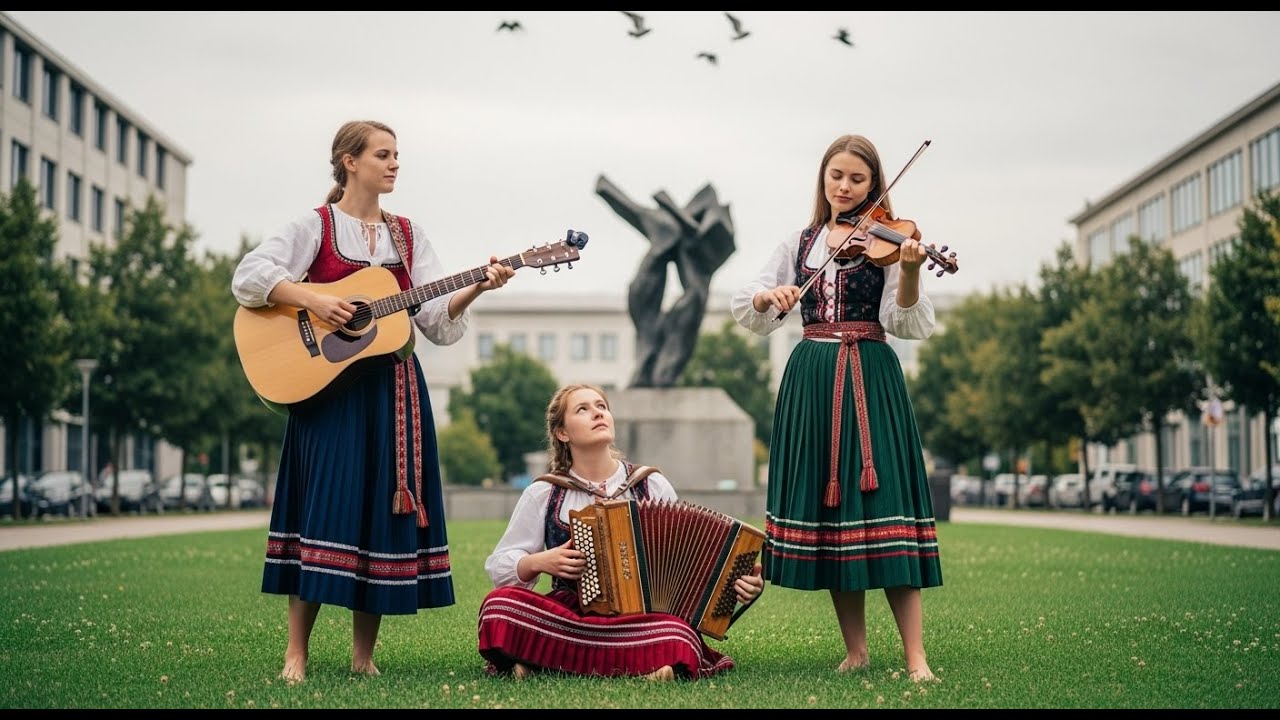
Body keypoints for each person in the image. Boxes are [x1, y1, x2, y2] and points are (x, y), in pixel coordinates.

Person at [231, 120, 515, 683]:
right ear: (349, 161)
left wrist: (479, 285)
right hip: (326, 393)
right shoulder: (313, 226)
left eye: (397, 155)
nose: (393, 164)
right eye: (382, 155)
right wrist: (312, 297)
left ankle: (363, 656)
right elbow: (250, 276)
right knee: (321, 511)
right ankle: (297, 652)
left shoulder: (409, 235)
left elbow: (434, 320)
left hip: (392, 392)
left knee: (379, 514)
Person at [731, 134, 942, 682]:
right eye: (836, 176)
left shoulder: (890, 241)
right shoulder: (798, 241)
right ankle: (857, 650)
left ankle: (916, 656)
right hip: (813, 377)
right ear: (822, 179)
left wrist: (914, 269)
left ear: (874, 184)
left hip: (871, 373)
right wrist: (767, 296)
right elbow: (749, 299)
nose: (845, 187)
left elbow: (908, 323)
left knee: (886, 505)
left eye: (857, 179)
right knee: (836, 513)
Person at [477, 383, 765, 681]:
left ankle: (541, 661)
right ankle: (639, 666)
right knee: (498, 607)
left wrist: (739, 584)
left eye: (602, 406)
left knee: (679, 633)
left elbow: (691, 568)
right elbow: (501, 566)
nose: (597, 413)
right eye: (583, 409)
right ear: (562, 433)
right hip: (569, 617)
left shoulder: (650, 484)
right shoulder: (545, 492)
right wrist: (539, 562)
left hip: (638, 620)